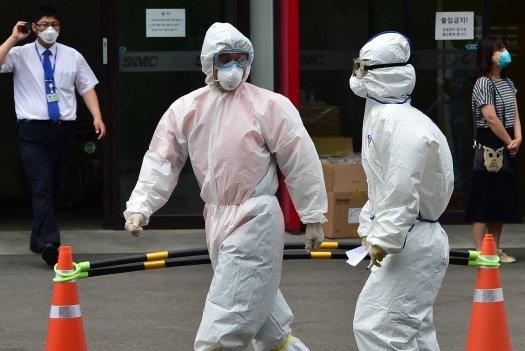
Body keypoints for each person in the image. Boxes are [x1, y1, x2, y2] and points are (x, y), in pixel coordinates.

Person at [123, 22, 327, 350]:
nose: (233, 67)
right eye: (224, 58)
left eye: (240, 57)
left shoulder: (269, 106)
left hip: (255, 218)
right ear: (209, 62)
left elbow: (300, 160)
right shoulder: (187, 109)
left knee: (223, 328)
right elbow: (163, 159)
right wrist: (140, 205)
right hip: (216, 219)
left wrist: (313, 214)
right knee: (271, 329)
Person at [349, 32, 454, 350]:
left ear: (383, 73)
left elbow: (401, 189)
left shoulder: (401, 124)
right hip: (411, 238)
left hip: (412, 240)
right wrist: (370, 227)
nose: (357, 75)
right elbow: (380, 186)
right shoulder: (385, 117)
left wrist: (384, 238)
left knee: (378, 330)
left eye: (363, 67)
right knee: (415, 334)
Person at [0, 5, 106, 267]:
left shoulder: (72, 56)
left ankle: (39, 239)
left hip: (62, 129)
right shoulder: (20, 54)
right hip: (32, 130)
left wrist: (97, 116)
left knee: (55, 184)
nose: (50, 29)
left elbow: (87, 87)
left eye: (55, 25)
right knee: (42, 183)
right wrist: (14, 37)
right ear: (34, 26)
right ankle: (50, 242)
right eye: (44, 24)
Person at [465, 36, 523, 263]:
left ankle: (495, 249)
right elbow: (490, 117)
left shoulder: (508, 82)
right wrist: (510, 140)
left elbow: (515, 112)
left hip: (507, 141)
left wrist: (518, 137)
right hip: (489, 143)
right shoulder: (482, 82)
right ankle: (481, 251)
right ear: (487, 56)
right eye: (498, 50)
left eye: (504, 48)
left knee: (500, 198)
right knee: (483, 197)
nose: (504, 53)